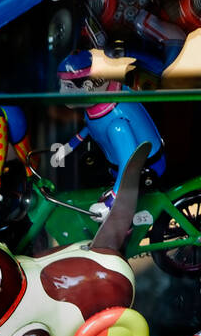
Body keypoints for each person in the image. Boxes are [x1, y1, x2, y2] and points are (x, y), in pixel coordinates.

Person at [53, 52, 167, 214]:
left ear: (88, 86)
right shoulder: (96, 108)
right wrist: (68, 147)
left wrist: (112, 201)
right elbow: (92, 127)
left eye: (68, 87)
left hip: (144, 172)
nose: (62, 93)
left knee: (119, 220)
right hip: (117, 167)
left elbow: (129, 165)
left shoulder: (117, 125)